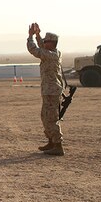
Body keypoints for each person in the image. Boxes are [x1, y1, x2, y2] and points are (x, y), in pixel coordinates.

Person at [27, 22, 66, 156]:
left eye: (45, 41)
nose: (43, 42)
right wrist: (38, 35)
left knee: (51, 118)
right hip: (48, 90)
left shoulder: (51, 55)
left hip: (52, 91)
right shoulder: (52, 52)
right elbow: (42, 47)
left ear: (52, 43)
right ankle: (51, 142)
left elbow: (34, 50)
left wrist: (30, 36)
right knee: (45, 117)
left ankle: (58, 145)